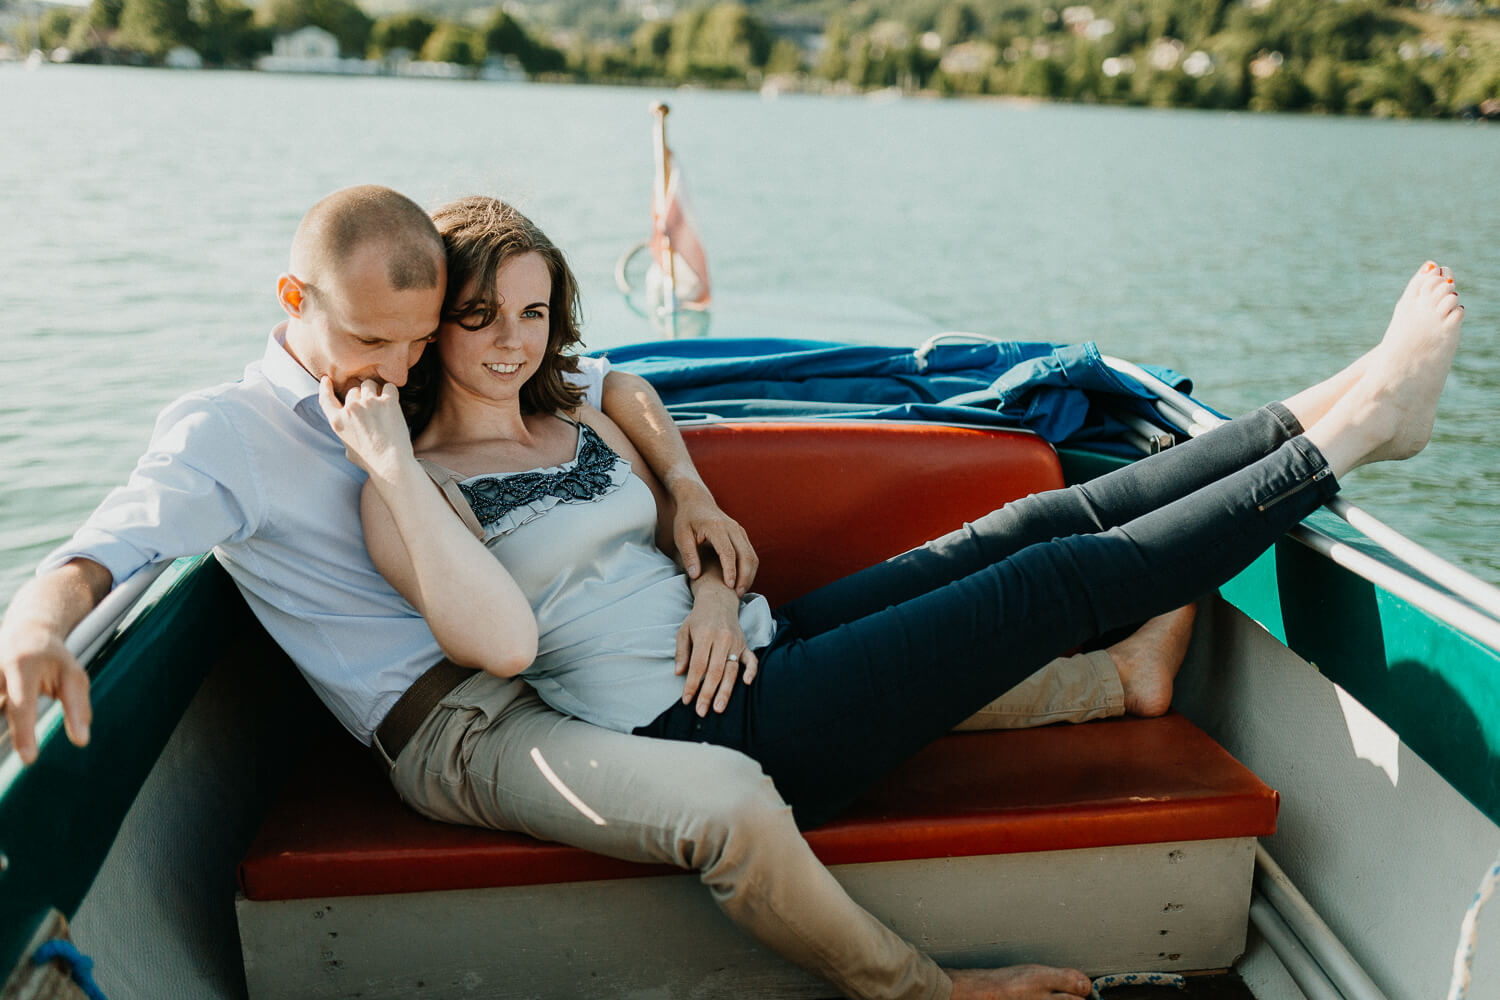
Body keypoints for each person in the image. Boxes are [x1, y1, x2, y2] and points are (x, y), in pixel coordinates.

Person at [0, 184, 1192, 1000]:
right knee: (731, 797)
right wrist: (38, 630)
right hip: (458, 719)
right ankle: (917, 989)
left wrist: (689, 502)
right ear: (293, 300)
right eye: (372, 342)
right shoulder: (227, 434)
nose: (398, 369)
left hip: (568, 655)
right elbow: (103, 548)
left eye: (419, 340)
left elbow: (603, 380)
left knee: (832, 651)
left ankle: (1109, 679)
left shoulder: (418, 374)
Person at [326, 195, 1462, 979]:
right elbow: (499, 639)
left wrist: (706, 569)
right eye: (480, 317)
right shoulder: (414, 492)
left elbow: (630, 407)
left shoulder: (568, 412)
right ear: (433, 328)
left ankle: (1344, 394)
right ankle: (1353, 439)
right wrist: (390, 464)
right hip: (708, 731)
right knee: (1048, 582)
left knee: (1027, 523)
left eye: (533, 313)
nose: (512, 342)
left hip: (756, 643)